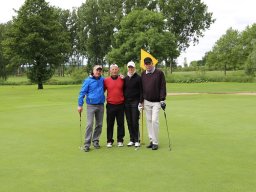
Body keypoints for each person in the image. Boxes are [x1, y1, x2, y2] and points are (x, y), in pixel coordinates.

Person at [140, 57, 166, 150]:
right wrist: (141, 101)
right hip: (146, 101)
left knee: (154, 120)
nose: (148, 65)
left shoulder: (159, 73)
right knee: (149, 121)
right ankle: (151, 140)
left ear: (152, 63)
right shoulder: (143, 74)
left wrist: (162, 99)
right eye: (146, 64)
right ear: (144, 65)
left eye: (149, 63)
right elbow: (141, 89)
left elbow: (162, 86)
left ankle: (155, 142)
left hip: (156, 102)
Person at [77, 65, 105, 152]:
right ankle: (87, 144)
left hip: (100, 105)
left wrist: (121, 77)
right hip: (91, 105)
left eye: (100, 70)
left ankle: (96, 141)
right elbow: (82, 93)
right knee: (89, 124)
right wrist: (80, 105)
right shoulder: (88, 81)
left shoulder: (102, 80)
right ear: (93, 71)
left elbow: (112, 80)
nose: (98, 72)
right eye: (97, 70)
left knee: (99, 124)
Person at [104, 64, 125, 148]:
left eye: (116, 69)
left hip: (120, 104)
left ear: (118, 70)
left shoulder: (122, 79)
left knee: (120, 123)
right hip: (110, 105)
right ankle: (109, 140)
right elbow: (101, 90)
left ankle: (120, 140)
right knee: (110, 124)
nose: (114, 71)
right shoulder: (106, 80)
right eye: (112, 69)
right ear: (110, 71)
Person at [123, 61, 142, 148]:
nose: (131, 69)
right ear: (128, 68)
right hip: (127, 102)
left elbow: (142, 91)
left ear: (134, 68)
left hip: (135, 102)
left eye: (132, 67)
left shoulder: (138, 78)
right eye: (129, 67)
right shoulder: (125, 79)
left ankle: (137, 139)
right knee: (129, 121)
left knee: (135, 121)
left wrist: (141, 102)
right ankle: (131, 139)